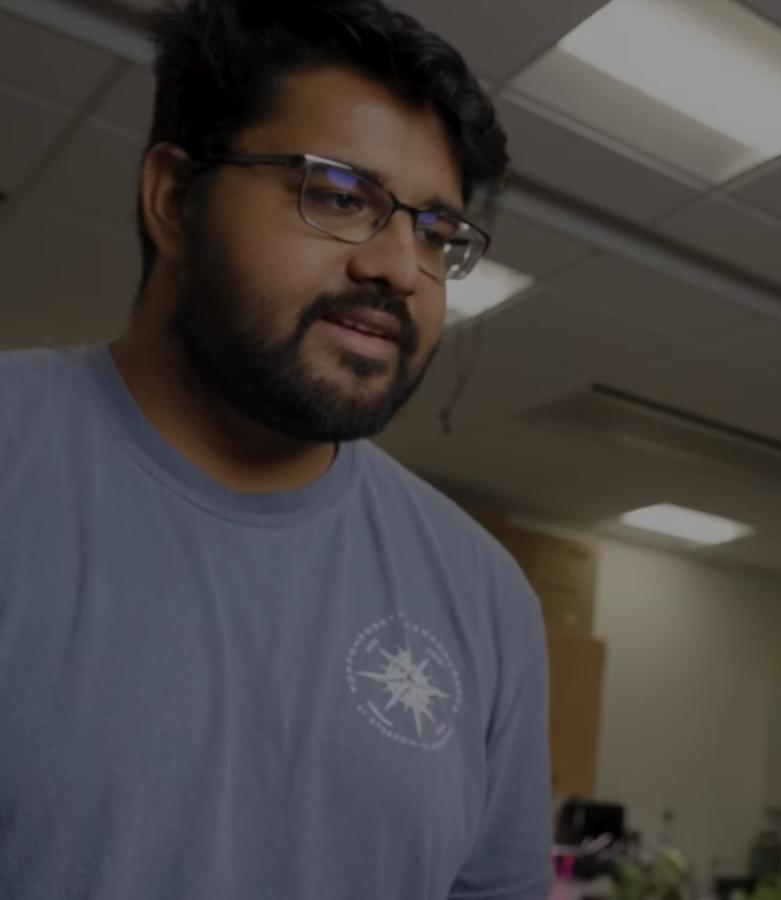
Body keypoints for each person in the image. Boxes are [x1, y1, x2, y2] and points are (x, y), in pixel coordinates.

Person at [0, 1, 553, 897]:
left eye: (434, 230)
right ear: (175, 199)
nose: (399, 268)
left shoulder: (486, 596)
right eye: (340, 196)